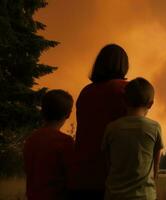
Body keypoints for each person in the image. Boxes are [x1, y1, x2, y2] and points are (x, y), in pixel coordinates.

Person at [70, 44, 129, 199]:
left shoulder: (85, 92)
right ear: (124, 65)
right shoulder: (125, 89)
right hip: (112, 178)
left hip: (81, 176)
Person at [102, 77, 163, 200]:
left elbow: (107, 161)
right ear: (150, 104)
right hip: (145, 195)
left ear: (124, 100)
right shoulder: (154, 127)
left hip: (114, 195)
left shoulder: (112, 127)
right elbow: (156, 163)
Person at [23, 90, 74, 200]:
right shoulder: (65, 141)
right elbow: (72, 176)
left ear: (43, 111)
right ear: (68, 114)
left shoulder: (31, 139)